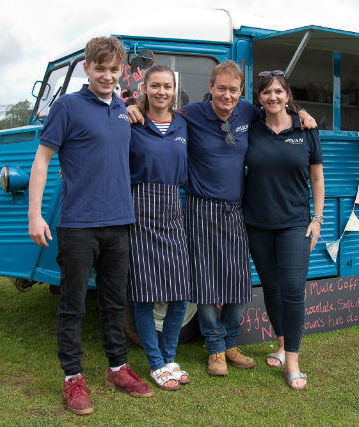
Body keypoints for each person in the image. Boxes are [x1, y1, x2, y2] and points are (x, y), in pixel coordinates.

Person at [127, 60, 316, 377]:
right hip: (201, 208)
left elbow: (278, 111)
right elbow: (158, 112)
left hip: (237, 209)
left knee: (239, 286)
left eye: (233, 89)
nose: (227, 95)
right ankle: (215, 349)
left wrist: (301, 115)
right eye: (221, 88)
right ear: (210, 88)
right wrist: (133, 105)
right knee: (205, 286)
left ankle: (230, 343)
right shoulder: (190, 115)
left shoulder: (248, 113)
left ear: (241, 92)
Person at [28, 36, 153, 416]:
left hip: (119, 224)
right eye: (100, 68)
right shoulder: (67, 107)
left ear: (121, 72)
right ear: (87, 68)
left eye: (114, 70)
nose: (107, 75)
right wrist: (35, 214)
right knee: (73, 305)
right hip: (78, 224)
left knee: (114, 303)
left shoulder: (121, 107)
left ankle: (117, 368)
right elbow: (42, 160)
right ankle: (72, 378)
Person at [242, 70, 324, 390]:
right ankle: (279, 343)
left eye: (278, 91)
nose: (272, 97)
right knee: (272, 288)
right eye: (266, 92)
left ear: (287, 95)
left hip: (294, 223)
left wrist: (317, 219)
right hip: (257, 223)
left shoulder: (306, 129)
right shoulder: (251, 128)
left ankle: (292, 362)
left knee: (292, 289)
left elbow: (317, 179)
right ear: (259, 98)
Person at [128, 64, 190, 391]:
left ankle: (169, 355)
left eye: (167, 86)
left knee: (180, 294)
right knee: (144, 295)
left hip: (172, 208)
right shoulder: (132, 121)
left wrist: (299, 111)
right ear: (145, 88)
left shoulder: (183, 122)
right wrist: (125, 108)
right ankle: (155, 363)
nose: (161, 92)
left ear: (174, 90)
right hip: (140, 211)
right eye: (155, 86)